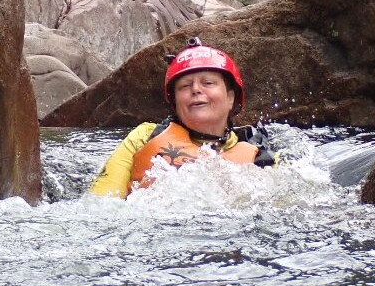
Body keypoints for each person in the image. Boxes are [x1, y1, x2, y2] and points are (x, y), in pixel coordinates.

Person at [88, 38, 277, 198]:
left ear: (230, 98)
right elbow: (100, 203)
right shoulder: (145, 136)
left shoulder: (260, 154)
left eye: (208, 83)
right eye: (185, 86)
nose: (196, 89)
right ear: (176, 103)